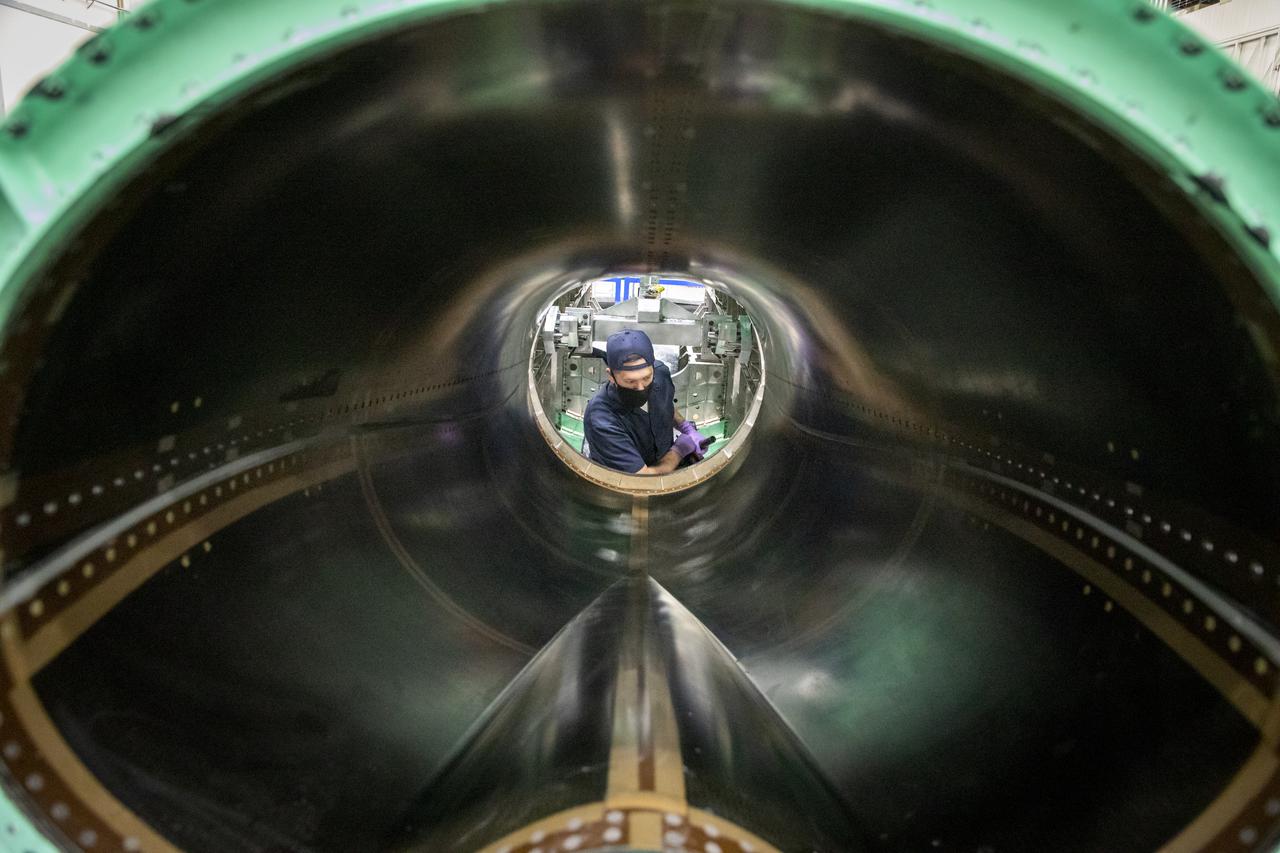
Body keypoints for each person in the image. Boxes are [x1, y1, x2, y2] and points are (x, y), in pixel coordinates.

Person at [583, 328, 712, 475]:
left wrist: (685, 427)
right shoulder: (601, 419)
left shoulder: (661, 375)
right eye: (630, 381)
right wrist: (679, 450)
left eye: (646, 378)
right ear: (611, 376)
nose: (640, 388)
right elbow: (641, 477)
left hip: (666, 461)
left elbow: (666, 403)